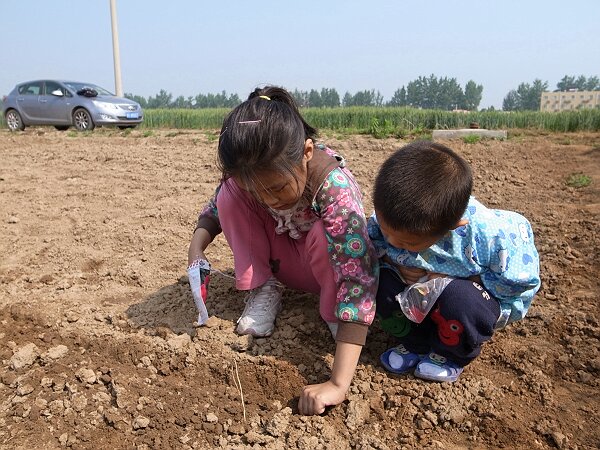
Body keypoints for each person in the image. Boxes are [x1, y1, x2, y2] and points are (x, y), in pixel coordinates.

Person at [188, 86, 379, 415]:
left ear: (306, 152)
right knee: (231, 195)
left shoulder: (333, 186)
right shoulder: (246, 179)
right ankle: (264, 288)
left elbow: (357, 272)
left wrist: (338, 383)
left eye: (277, 187)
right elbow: (218, 206)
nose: (269, 200)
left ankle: (332, 311)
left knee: (323, 232)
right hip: (282, 261)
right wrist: (197, 247)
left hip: (326, 270)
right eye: (258, 192)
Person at [368, 141, 540, 382]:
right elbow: (373, 243)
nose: (393, 242)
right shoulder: (393, 215)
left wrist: (459, 280)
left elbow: (519, 283)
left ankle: (450, 354)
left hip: (471, 296)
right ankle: (415, 342)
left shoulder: (489, 236)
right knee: (380, 281)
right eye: (387, 232)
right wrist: (391, 260)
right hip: (417, 292)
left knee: (460, 299)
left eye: (408, 243)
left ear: (451, 228)